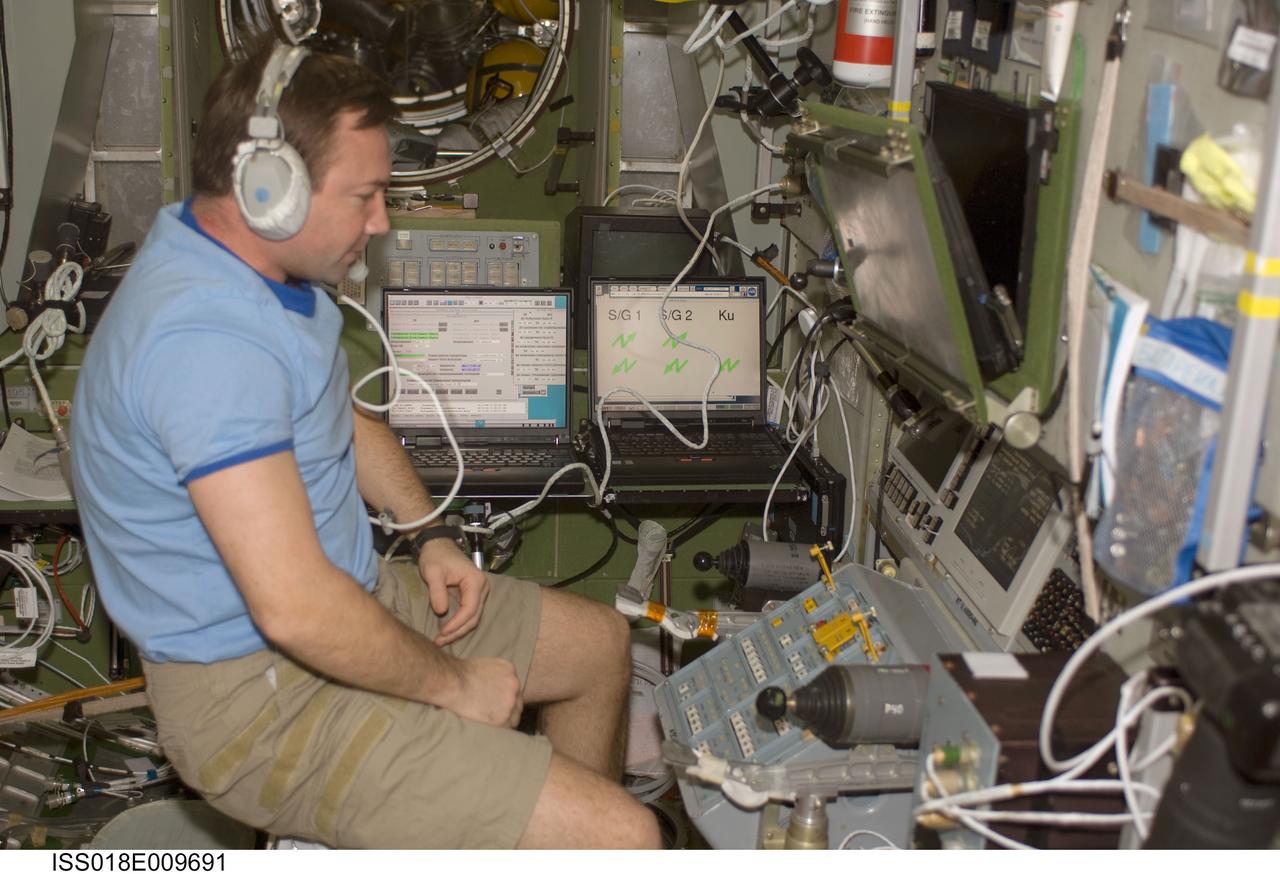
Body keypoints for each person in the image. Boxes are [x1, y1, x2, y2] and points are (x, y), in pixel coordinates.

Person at [70, 38, 660, 849]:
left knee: (599, 645)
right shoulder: (204, 342)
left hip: (348, 603)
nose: (381, 221)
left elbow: (338, 419)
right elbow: (296, 607)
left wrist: (430, 535)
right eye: (366, 195)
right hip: (259, 699)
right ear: (268, 191)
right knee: (627, 839)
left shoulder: (256, 270)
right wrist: (454, 688)